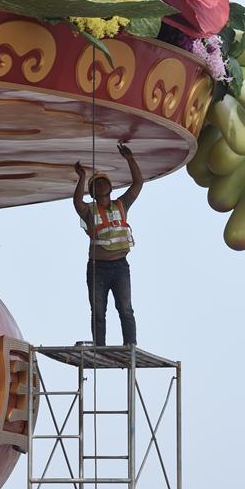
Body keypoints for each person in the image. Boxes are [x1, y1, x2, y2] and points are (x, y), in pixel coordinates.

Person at [73, 143, 144, 347]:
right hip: (98, 268)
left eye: (104, 181)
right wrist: (82, 178)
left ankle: (130, 345)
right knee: (98, 311)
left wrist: (130, 159)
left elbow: (138, 184)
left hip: (120, 267)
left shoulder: (122, 204)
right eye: (97, 183)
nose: (102, 184)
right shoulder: (89, 211)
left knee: (125, 309)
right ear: (93, 192)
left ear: (111, 188)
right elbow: (77, 202)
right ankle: (99, 347)